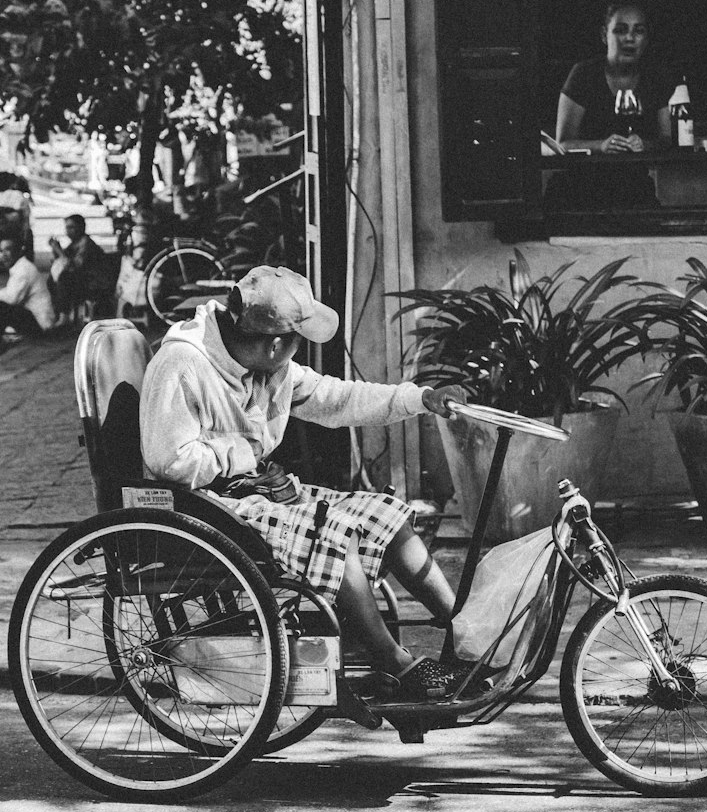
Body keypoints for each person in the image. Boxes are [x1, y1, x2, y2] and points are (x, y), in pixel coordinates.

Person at [139, 265, 479, 702]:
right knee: (340, 534)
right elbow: (169, 459)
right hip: (210, 506)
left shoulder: (269, 366)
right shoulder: (183, 363)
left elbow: (336, 398)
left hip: (257, 492)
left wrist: (418, 398)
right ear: (276, 342)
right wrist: (241, 452)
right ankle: (394, 662)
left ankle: (467, 634)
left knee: (385, 516)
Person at [543, 0, 673, 212]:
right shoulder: (583, 75)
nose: (630, 38)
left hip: (633, 188)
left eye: (638, 31)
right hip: (580, 190)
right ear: (605, 35)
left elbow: (666, 140)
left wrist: (644, 145)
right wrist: (600, 146)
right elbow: (563, 143)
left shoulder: (655, 78)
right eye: (621, 30)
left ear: (646, 38)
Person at [48, 214, 116, 323]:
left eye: (71, 227)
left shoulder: (86, 243)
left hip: (95, 283)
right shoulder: (75, 243)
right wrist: (55, 249)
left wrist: (58, 250)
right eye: (67, 228)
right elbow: (61, 260)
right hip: (84, 280)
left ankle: (63, 318)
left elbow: (73, 266)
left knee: (65, 278)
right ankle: (58, 314)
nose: (68, 231)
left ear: (81, 227)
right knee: (52, 279)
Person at [0, 228, 56, 343]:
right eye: (1, 251)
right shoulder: (20, 267)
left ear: (20, 250)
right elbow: (9, 292)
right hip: (37, 320)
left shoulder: (24, 269)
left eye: (8, 250)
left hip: (41, 324)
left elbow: (12, 299)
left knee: (3, 307)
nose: (3, 255)